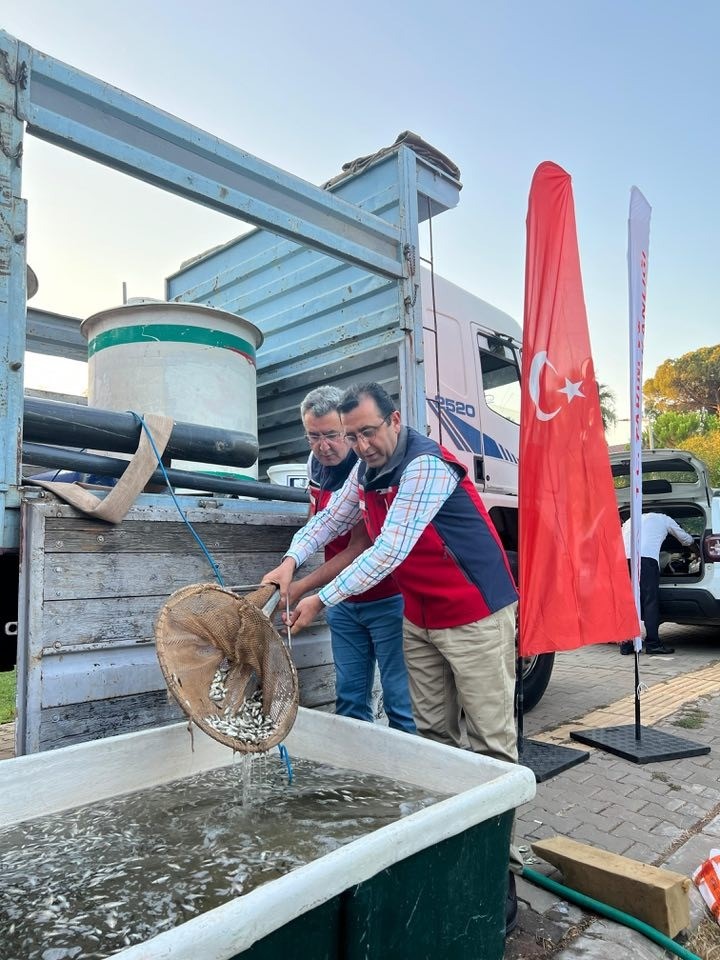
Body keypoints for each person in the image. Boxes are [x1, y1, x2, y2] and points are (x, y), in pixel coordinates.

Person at [263, 381, 521, 932]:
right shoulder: (365, 469)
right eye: (352, 436)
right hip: (420, 617)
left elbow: (389, 548)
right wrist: (289, 560)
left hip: (474, 612)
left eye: (368, 432)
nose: (360, 445)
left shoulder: (426, 466)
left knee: (491, 743)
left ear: (395, 420)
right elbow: (330, 521)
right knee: (432, 737)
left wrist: (319, 598)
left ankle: (498, 872)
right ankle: (446, 847)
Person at [288, 385, 415, 733]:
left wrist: (303, 588)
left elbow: (360, 547)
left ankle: (405, 765)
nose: (323, 446)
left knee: (400, 701)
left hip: (386, 598)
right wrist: (290, 564)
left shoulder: (365, 468)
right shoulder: (315, 466)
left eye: (332, 435)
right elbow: (319, 525)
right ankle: (358, 767)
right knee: (349, 700)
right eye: (313, 437)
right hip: (342, 603)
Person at [620, 512, 698, 655]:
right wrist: (697, 552)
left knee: (628, 602)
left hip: (624, 560)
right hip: (646, 561)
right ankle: (653, 644)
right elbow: (686, 539)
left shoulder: (632, 519)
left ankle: (626, 644)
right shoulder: (665, 519)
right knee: (650, 602)